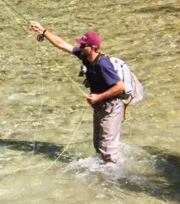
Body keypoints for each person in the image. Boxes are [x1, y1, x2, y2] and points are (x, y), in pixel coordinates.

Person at [27, 21, 127, 164]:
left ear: (93, 48)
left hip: (111, 108)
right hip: (99, 107)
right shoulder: (84, 56)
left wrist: (99, 96)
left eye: (83, 45)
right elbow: (61, 44)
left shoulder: (102, 64)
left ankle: (113, 180)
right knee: (99, 147)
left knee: (108, 154)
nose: (80, 47)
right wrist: (43, 31)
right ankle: (102, 174)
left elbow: (120, 86)